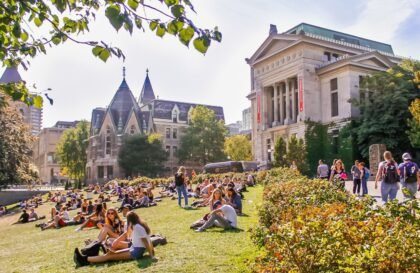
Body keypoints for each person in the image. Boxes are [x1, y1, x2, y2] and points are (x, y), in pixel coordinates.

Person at [73, 211, 155, 266]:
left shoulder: (137, 227)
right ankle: (86, 257)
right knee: (109, 254)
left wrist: (152, 256)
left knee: (108, 256)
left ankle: (83, 260)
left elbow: (146, 241)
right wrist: (152, 253)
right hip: (133, 248)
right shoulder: (139, 225)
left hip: (135, 252)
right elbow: (148, 240)